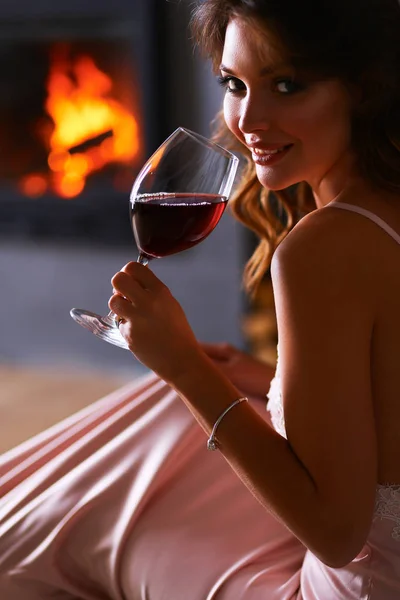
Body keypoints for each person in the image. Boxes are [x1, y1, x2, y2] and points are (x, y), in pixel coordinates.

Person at [1, 0, 400, 597]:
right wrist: (264, 374)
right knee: (154, 420)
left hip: (353, 584)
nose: (248, 119)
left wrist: (183, 365)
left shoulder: (322, 249)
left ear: (363, 88)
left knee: (72, 507)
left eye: (287, 85)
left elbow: (338, 535)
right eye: (234, 84)